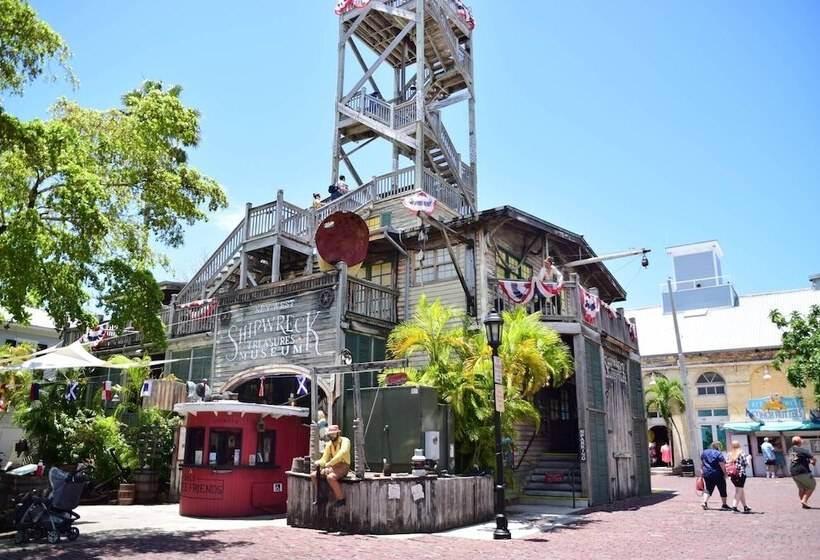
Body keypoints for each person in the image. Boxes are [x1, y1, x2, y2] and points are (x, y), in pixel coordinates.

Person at [311, 424, 351, 508]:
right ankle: (322, 497)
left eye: (333, 434)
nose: (331, 436)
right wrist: (319, 462)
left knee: (330, 477)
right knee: (314, 475)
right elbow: (324, 458)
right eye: (330, 434)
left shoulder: (345, 441)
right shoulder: (329, 444)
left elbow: (342, 453)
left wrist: (330, 463)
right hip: (333, 466)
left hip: (344, 466)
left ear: (338, 433)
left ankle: (341, 499)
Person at [700, 441, 731, 511]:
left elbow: (702, 463)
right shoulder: (718, 454)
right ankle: (724, 504)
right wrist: (725, 474)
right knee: (722, 488)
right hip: (717, 474)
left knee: (708, 488)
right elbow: (722, 465)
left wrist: (701, 471)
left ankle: (704, 502)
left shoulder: (704, 452)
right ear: (718, 447)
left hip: (707, 473)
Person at [788, 435, 816, 509]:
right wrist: (813, 462)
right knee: (812, 485)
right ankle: (804, 500)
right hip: (802, 471)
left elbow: (797, 459)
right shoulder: (802, 450)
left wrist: (807, 461)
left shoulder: (790, 450)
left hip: (793, 472)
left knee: (801, 488)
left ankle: (803, 503)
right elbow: (813, 458)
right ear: (800, 442)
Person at [727, 441, 751, 513]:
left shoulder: (729, 454)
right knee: (739, 490)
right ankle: (734, 507)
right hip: (740, 474)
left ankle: (745, 506)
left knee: (740, 490)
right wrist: (749, 458)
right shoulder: (741, 453)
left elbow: (727, 462)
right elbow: (747, 464)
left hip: (732, 474)